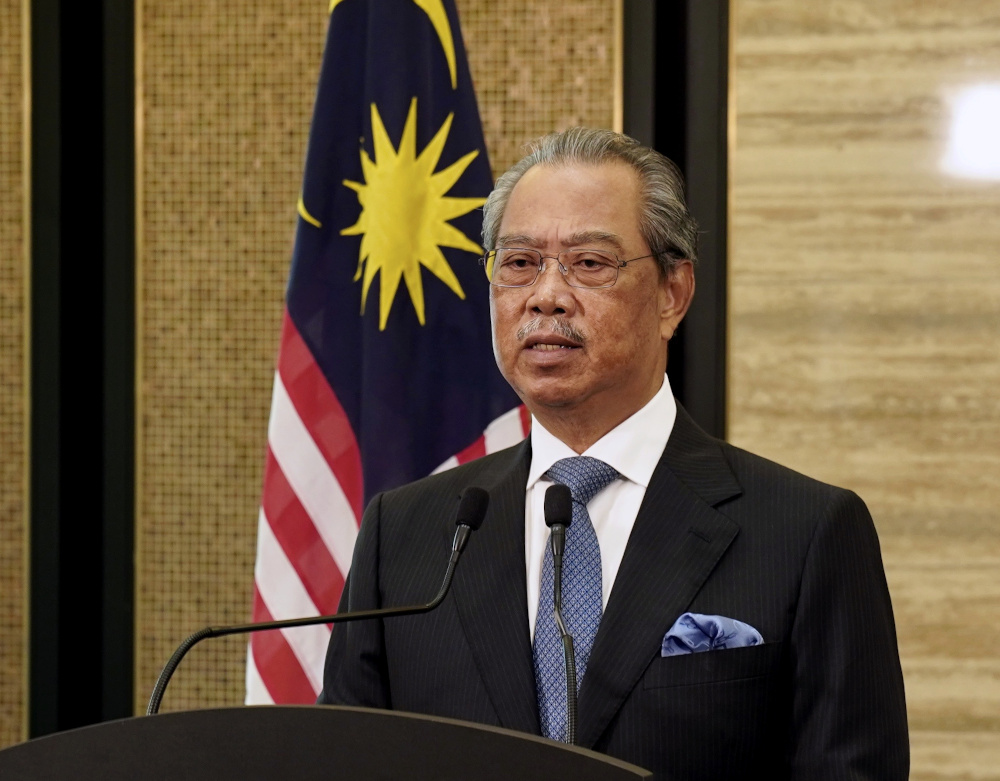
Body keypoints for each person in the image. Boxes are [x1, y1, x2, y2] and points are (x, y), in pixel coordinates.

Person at [318, 127, 909, 779]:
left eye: (589, 263)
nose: (545, 295)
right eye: (518, 263)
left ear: (672, 294)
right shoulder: (406, 533)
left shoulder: (805, 532)